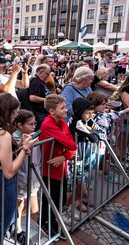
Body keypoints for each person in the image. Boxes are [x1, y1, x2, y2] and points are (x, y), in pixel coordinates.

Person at [0, 93, 37, 245]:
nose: (15, 116)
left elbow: (3, 153)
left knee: (7, 215)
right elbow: (9, 171)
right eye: (14, 113)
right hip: (3, 180)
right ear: (6, 112)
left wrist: (19, 145)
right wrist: (25, 149)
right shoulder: (3, 134)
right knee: (2, 223)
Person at [39, 94, 77, 237]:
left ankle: (53, 221)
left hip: (61, 167)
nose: (66, 110)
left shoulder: (61, 122)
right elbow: (72, 144)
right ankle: (45, 223)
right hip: (49, 169)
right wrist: (68, 152)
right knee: (50, 198)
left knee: (59, 197)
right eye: (62, 108)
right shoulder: (48, 124)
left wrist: (65, 156)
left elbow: (72, 147)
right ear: (51, 111)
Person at [12, 110, 42, 244]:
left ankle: (13, 220)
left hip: (33, 178)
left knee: (33, 208)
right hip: (21, 179)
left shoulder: (35, 136)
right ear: (19, 125)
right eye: (30, 124)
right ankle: (17, 229)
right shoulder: (14, 139)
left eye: (35, 123)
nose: (34, 126)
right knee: (19, 205)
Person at [29, 64, 52, 130]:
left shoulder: (41, 82)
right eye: (47, 74)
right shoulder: (35, 81)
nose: (48, 76)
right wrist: (47, 100)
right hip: (39, 113)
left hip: (43, 112)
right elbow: (32, 97)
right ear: (41, 72)